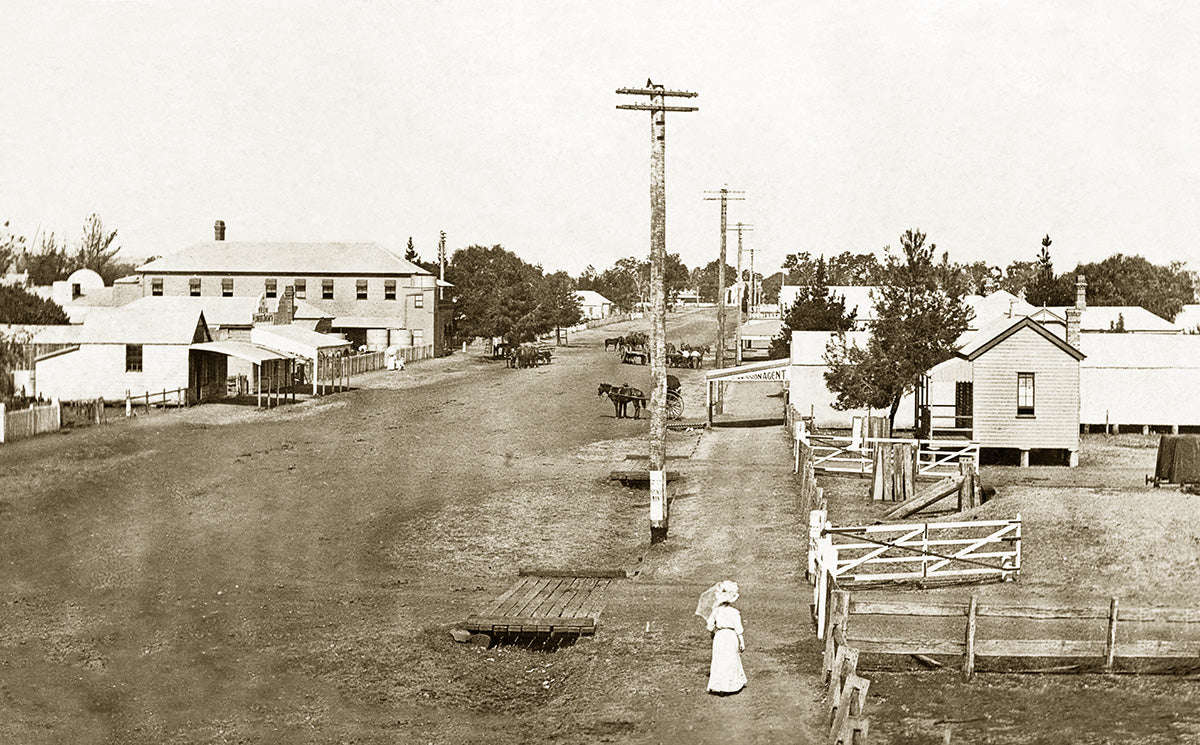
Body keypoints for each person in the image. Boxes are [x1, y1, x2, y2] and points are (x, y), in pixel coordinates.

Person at [706, 580, 746, 695]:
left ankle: (719, 686)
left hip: (720, 636)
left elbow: (710, 626)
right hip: (730, 636)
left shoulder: (716, 611)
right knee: (731, 659)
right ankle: (730, 685)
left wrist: (713, 632)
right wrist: (742, 642)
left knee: (719, 659)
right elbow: (739, 629)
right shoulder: (734, 612)